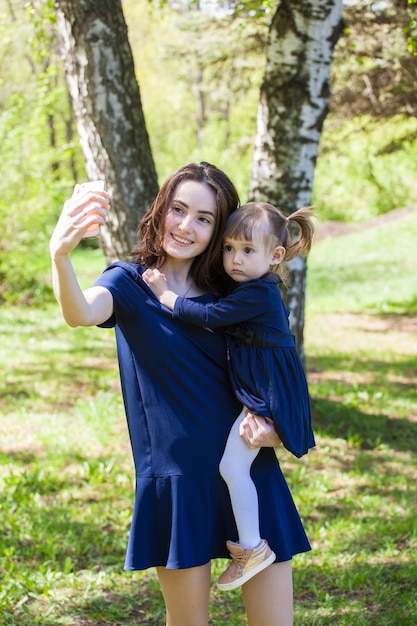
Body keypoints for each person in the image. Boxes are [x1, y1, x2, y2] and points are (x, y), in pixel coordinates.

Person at [49, 163, 311, 626]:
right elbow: (80, 312)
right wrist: (60, 255)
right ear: (161, 210)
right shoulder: (130, 284)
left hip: (247, 474)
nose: (186, 226)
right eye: (178, 209)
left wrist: (275, 423)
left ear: (219, 229)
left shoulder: (236, 290)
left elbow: (279, 365)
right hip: (177, 482)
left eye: (205, 218)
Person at [143, 201, 316, 592]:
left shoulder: (258, 293)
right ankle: (251, 545)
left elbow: (208, 317)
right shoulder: (250, 287)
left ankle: (252, 548)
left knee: (233, 468)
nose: (235, 259)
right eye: (229, 248)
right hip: (261, 392)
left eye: (247, 251)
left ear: (274, 257)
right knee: (233, 467)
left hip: (267, 397)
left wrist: (165, 295)